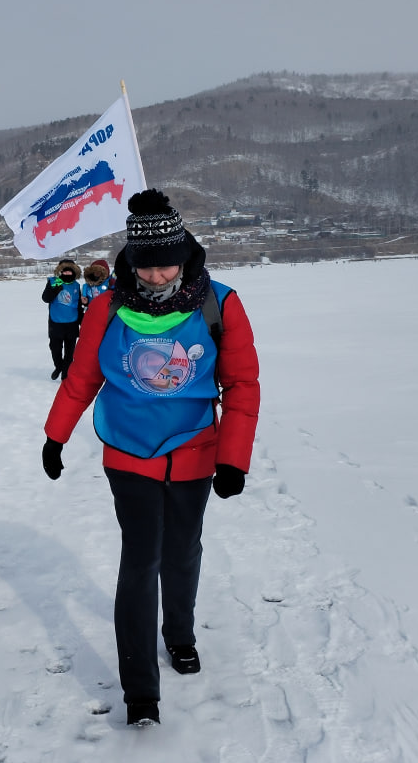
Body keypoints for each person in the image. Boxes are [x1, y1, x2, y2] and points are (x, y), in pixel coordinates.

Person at [41, 190, 260, 726]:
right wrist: (55, 436)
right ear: (131, 263)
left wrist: (233, 459)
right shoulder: (109, 306)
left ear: (184, 257)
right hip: (129, 452)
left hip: (193, 452)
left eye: (167, 266)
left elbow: (241, 384)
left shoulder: (220, 303)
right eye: (147, 267)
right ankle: (141, 690)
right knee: (141, 561)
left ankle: (179, 634)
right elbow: (83, 377)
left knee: (183, 552)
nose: (158, 277)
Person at [41, 258, 83, 380]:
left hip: (72, 323)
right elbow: (45, 298)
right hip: (56, 323)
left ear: (74, 272)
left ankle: (65, 373)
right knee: (55, 349)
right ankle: (58, 366)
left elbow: (78, 305)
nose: (67, 274)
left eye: (70, 272)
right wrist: (55, 289)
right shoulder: (54, 282)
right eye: (65, 271)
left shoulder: (76, 285)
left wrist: (83, 322)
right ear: (61, 271)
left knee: (70, 352)